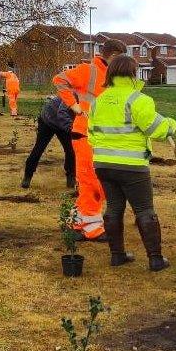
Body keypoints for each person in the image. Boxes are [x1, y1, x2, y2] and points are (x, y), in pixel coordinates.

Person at [88, 54, 176, 271]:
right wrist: (171, 125)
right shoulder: (138, 99)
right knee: (145, 210)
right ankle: (155, 259)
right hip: (132, 167)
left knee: (114, 208)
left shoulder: (98, 101)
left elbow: (90, 134)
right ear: (132, 73)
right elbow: (155, 129)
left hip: (103, 164)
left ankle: (117, 255)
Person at [53, 39, 128, 241]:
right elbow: (59, 80)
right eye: (121, 58)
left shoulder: (113, 76)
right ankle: (92, 228)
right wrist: (73, 106)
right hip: (85, 134)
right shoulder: (90, 70)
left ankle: (77, 224)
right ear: (112, 55)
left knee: (94, 183)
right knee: (91, 183)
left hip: (99, 136)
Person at [21, 95, 76, 189]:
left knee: (70, 150)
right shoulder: (74, 94)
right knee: (39, 148)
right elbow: (61, 113)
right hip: (48, 119)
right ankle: (27, 177)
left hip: (63, 121)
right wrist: (71, 129)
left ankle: (71, 178)